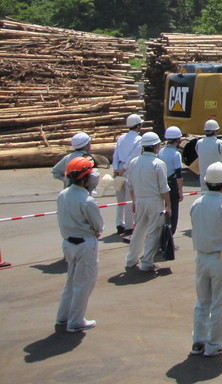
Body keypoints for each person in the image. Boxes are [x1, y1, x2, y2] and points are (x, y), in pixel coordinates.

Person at [189, 161, 222, 358]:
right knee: (220, 302)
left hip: (201, 258)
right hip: (221, 257)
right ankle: (214, 344)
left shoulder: (196, 204)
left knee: (202, 302)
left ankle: (198, 341)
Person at [55, 156, 103, 332]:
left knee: (71, 281)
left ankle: (63, 316)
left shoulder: (63, 195)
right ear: (84, 179)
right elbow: (98, 225)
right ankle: (76, 321)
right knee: (84, 283)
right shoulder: (87, 201)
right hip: (85, 244)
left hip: (68, 243)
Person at [124, 132, 172, 273]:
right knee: (153, 232)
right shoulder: (158, 164)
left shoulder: (134, 162)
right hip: (154, 201)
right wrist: (168, 205)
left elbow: (130, 184)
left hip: (140, 200)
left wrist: (134, 200)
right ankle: (147, 262)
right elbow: (164, 188)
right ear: (156, 146)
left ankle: (131, 259)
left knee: (139, 230)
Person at [112, 113, 143, 235]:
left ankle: (119, 223)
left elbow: (115, 155)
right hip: (129, 170)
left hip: (119, 168)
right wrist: (124, 169)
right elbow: (133, 156)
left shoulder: (121, 138)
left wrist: (116, 169)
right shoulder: (139, 140)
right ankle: (129, 226)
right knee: (129, 198)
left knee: (119, 198)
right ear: (138, 126)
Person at [159, 126, 185, 234]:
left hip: (161, 184)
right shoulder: (176, 154)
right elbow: (178, 175)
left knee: (163, 211)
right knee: (173, 214)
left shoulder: (161, 151)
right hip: (172, 185)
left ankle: (162, 236)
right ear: (178, 140)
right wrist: (180, 191)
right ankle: (170, 238)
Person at [196, 119, 222, 192]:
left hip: (204, 177)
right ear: (216, 131)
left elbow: (198, 154)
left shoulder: (199, 143)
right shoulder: (220, 143)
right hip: (219, 178)